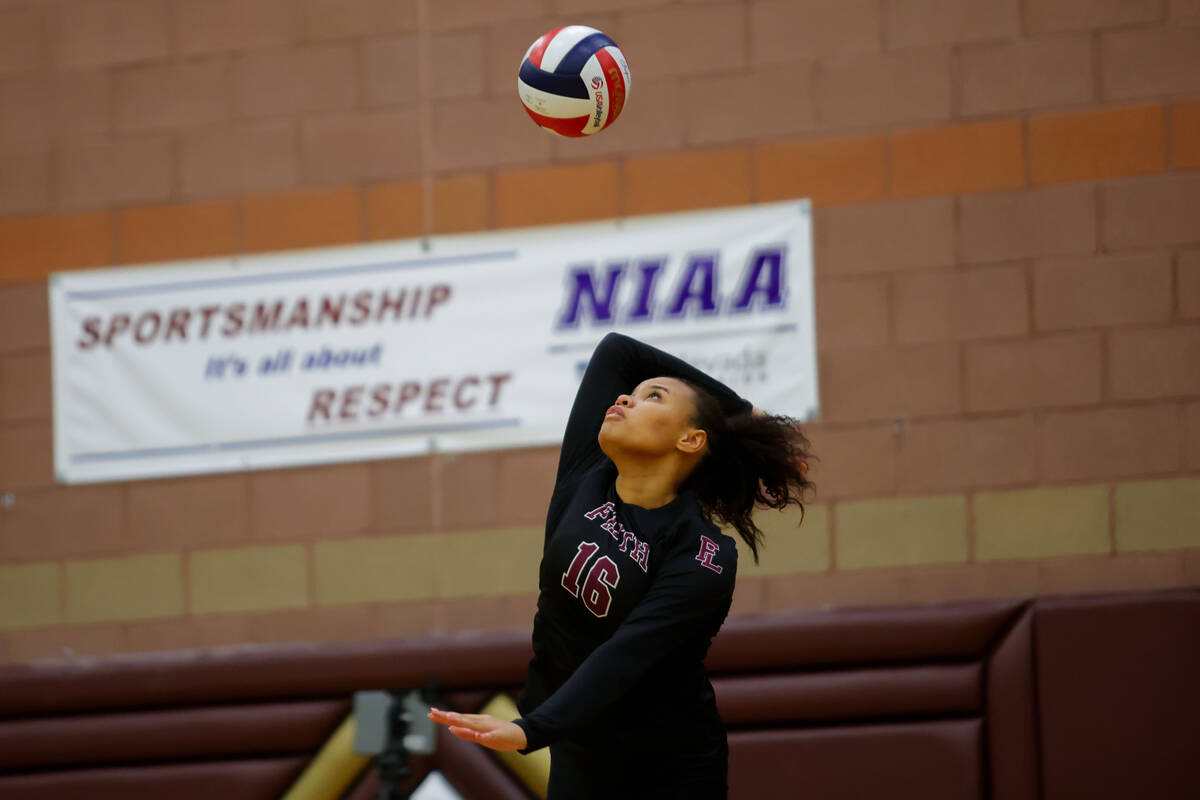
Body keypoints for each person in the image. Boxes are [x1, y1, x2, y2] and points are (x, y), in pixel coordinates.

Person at [429, 332, 814, 798]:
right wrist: (743, 410)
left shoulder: (702, 555)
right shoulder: (587, 473)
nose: (625, 398)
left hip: (667, 768)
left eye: (653, 397)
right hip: (582, 751)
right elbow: (617, 350)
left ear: (691, 439)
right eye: (631, 392)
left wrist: (534, 729)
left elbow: (625, 656)